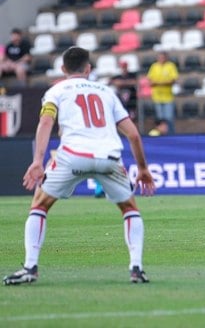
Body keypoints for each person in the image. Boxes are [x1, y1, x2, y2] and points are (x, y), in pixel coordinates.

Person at [2, 46, 155, 286]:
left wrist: (37, 161)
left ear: (63, 69)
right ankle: (136, 268)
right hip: (109, 157)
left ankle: (30, 267)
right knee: (129, 208)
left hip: (72, 156)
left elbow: (45, 121)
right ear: (89, 69)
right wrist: (143, 169)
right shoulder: (107, 92)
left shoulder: (56, 90)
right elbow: (133, 135)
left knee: (40, 205)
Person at [147, 51, 178, 134]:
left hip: (168, 97)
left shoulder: (170, 66)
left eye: (163, 57)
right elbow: (150, 81)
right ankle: (161, 136)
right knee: (160, 119)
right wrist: (164, 82)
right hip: (157, 97)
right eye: (160, 57)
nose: (161, 59)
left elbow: (173, 80)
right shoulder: (154, 66)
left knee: (169, 118)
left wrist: (158, 83)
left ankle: (171, 135)